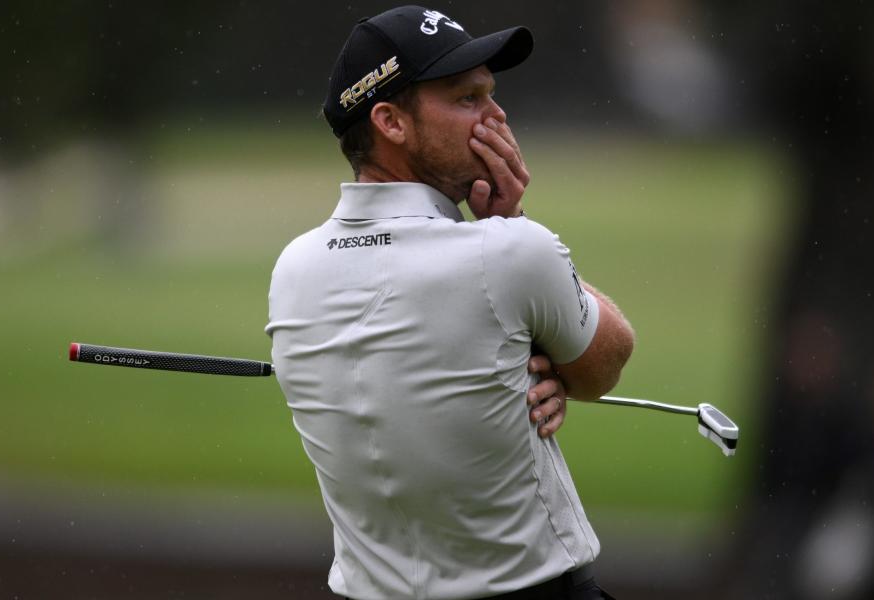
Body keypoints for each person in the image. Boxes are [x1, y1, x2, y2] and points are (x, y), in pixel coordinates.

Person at [266, 6, 635, 599]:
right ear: (390, 122)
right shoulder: (511, 251)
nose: (496, 115)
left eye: (491, 94)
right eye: (467, 98)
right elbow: (606, 364)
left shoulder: (292, 268)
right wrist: (514, 225)